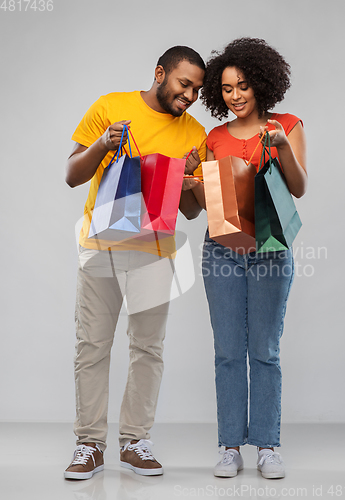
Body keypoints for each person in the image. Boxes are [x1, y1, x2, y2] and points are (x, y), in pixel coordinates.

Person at [64, 46, 206, 480]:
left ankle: (134, 441)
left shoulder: (195, 133)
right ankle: (89, 444)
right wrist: (105, 143)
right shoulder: (110, 106)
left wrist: (190, 179)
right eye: (184, 84)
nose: (191, 96)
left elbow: (191, 212)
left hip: (154, 253)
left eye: (198, 89)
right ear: (160, 73)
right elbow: (72, 173)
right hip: (101, 245)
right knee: (93, 345)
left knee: (148, 348)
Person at [183, 38, 307, 479]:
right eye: (227, 88)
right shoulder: (213, 137)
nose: (235, 96)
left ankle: (268, 446)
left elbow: (298, 187)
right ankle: (229, 446)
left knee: (265, 351)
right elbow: (197, 208)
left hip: (271, 251)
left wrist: (281, 145)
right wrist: (189, 184)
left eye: (244, 86)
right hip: (222, 250)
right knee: (228, 352)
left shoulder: (286, 125)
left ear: (262, 84)